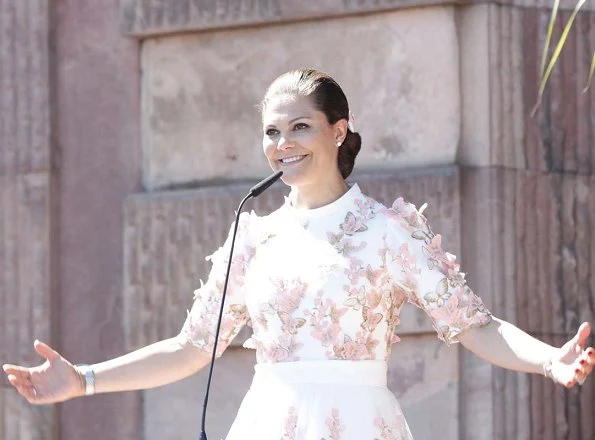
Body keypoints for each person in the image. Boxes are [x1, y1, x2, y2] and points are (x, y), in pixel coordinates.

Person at [3, 68, 594, 439]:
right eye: (271, 132)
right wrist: (81, 380)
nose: (282, 144)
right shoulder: (252, 238)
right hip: (268, 424)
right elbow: (189, 348)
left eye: (299, 127)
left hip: (362, 425)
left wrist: (549, 360)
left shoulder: (388, 232)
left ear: (339, 130)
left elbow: (476, 327)